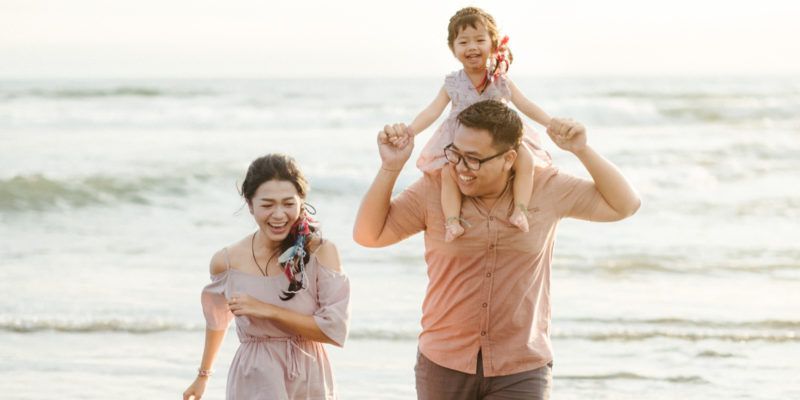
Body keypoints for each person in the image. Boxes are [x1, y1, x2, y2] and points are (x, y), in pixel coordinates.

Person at [353, 100, 640, 399]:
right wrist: (391, 167)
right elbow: (368, 235)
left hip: (521, 367)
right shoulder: (434, 188)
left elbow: (625, 204)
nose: (460, 168)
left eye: (474, 159)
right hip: (444, 363)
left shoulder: (546, 186)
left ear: (509, 157)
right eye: (455, 153)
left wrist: (581, 149)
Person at [183, 154, 350, 400]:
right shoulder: (226, 261)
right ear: (250, 205)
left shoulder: (322, 252)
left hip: (308, 376)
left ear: (301, 202)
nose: (279, 214)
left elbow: (335, 330)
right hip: (255, 377)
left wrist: (267, 310)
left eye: (288, 203)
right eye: (267, 204)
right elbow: (217, 321)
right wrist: (203, 376)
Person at [391, 6, 553, 242]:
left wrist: (550, 122)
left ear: (493, 44)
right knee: (449, 171)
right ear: (453, 48)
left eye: (479, 40)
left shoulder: (499, 79)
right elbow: (432, 111)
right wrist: (410, 131)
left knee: (525, 158)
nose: (472, 47)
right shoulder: (453, 83)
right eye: (463, 42)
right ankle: (452, 222)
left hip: (497, 139)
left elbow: (524, 104)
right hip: (462, 141)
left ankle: (520, 209)